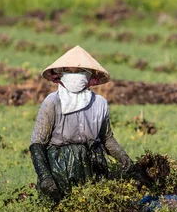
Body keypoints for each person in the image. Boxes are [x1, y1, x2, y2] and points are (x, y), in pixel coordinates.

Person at [29, 45, 133, 202]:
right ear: (60, 74)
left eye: (79, 71)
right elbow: (37, 143)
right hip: (60, 167)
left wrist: (124, 158)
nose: (74, 75)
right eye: (69, 71)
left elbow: (106, 138)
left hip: (92, 165)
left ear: (90, 74)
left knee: (94, 206)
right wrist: (45, 177)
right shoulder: (52, 102)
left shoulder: (100, 103)